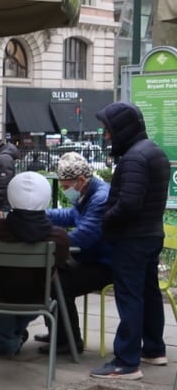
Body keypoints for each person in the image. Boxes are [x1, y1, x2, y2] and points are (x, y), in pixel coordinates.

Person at [89, 102, 169, 380]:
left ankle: (126, 361)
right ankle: (154, 349)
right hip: (150, 234)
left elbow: (129, 204)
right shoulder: (153, 152)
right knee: (149, 292)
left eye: (108, 130)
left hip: (132, 238)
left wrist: (106, 219)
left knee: (129, 296)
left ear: (121, 129)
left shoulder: (134, 158)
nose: (106, 136)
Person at [0, 172, 70, 356]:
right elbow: (60, 263)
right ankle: (15, 337)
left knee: (7, 345)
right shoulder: (58, 237)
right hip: (38, 298)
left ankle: (11, 341)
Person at [36, 152, 112, 355]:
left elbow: (85, 235)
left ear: (80, 180)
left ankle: (69, 341)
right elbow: (71, 216)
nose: (64, 190)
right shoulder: (88, 194)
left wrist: (49, 240)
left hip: (106, 265)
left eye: (65, 186)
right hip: (92, 259)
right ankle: (59, 332)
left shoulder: (101, 199)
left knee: (57, 282)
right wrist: (37, 215)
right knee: (47, 274)